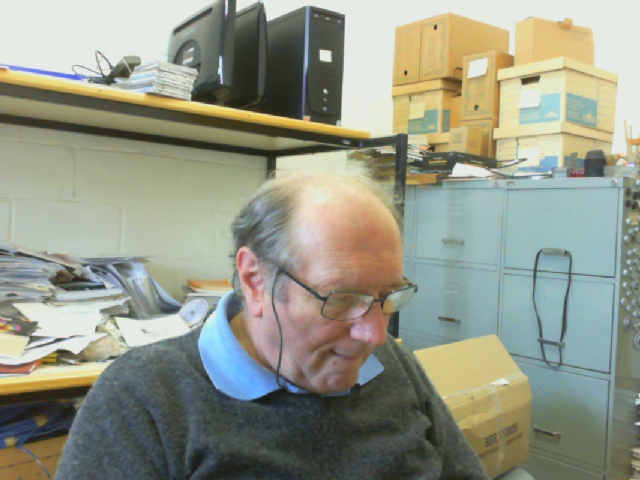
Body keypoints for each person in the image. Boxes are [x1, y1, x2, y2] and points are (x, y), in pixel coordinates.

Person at [56, 170, 505, 479]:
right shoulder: (146, 398)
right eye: (341, 299)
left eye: (388, 297)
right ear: (255, 280)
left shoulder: (393, 366)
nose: (374, 334)